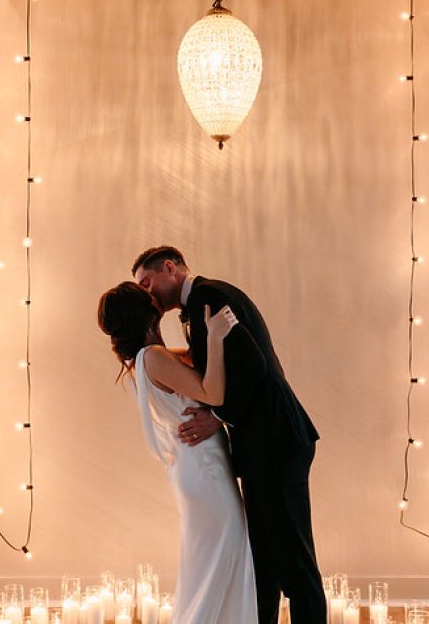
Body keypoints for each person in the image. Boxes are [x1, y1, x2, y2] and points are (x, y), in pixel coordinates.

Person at [132, 246, 326, 624]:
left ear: (169, 268)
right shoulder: (203, 300)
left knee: (294, 564)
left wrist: (217, 415)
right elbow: (217, 362)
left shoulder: (210, 296)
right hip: (261, 447)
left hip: (277, 443)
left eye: (147, 282)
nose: (146, 292)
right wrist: (150, 357)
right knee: (264, 561)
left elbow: (255, 365)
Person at [98, 281, 259, 624]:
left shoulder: (148, 358)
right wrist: (214, 336)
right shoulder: (153, 358)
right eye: (145, 294)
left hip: (198, 468)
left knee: (213, 565)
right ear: (145, 311)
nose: (152, 294)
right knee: (222, 560)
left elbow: (193, 366)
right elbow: (213, 394)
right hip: (204, 469)